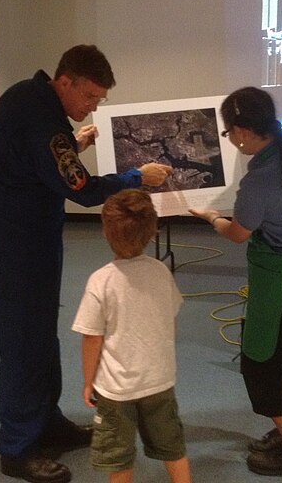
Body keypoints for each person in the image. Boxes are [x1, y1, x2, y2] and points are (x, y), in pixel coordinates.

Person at [0, 44, 173, 483]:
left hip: (31, 236)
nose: (91, 107)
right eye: (88, 97)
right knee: (23, 344)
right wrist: (134, 179)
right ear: (64, 80)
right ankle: (16, 448)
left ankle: (45, 424)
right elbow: (82, 189)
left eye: (99, 101)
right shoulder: (42, 118)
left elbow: (42, 162)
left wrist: (73, 143)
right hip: (19, 244)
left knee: (40, 337)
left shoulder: (30, 99)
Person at [189, 86, 282, 479]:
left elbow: (238, 233)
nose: (231, 140)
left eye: (228, 133)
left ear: (240, 130)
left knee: (260, 364)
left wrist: (209, 218)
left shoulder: (258, 183)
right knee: (281, 352)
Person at [72, 189, 191, 483]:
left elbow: (92, 338)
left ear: (105, 231)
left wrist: (89, 382)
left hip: (116, 390)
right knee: (172, 446)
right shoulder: (161, 271)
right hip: (159, 381)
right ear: (152, 231)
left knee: (119, 456)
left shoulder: (101, 281)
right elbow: (170, 320)